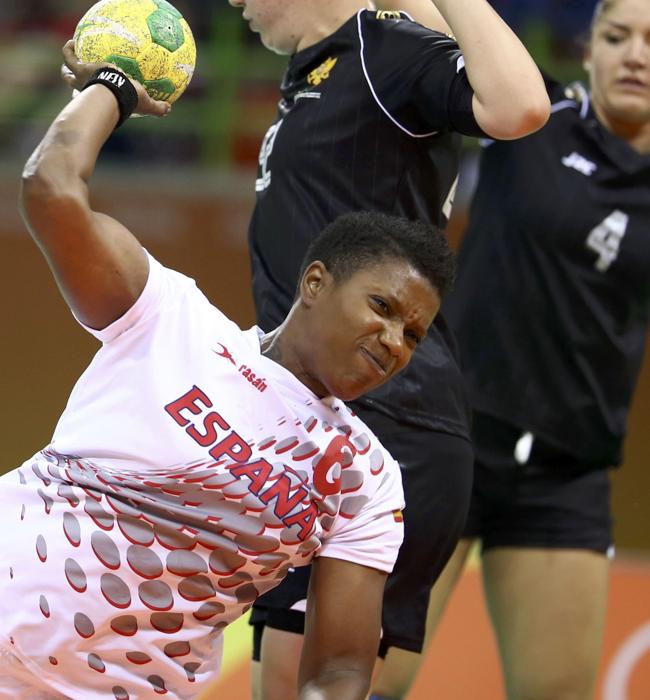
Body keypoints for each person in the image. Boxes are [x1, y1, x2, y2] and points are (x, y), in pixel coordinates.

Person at [0, 43, 459, 700]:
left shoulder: (363, 478)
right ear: (315, 282)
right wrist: (113, 85)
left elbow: (338, 671)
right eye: (382, 308)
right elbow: (51, 191)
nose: (393, 340)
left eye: (413, 333)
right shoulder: (168, 317)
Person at [224, 0, 550, 698]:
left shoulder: (386, 52)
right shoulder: (323, 66)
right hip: (316, 423)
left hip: (387, 419)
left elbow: (520, 107)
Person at [372, 0, 650, 698]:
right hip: (450, 439)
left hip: (567, 470)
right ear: (588, 51)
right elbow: (421, 19)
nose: (636, 56)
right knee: (365, 681)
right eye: (618, 37)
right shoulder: (537, 118)